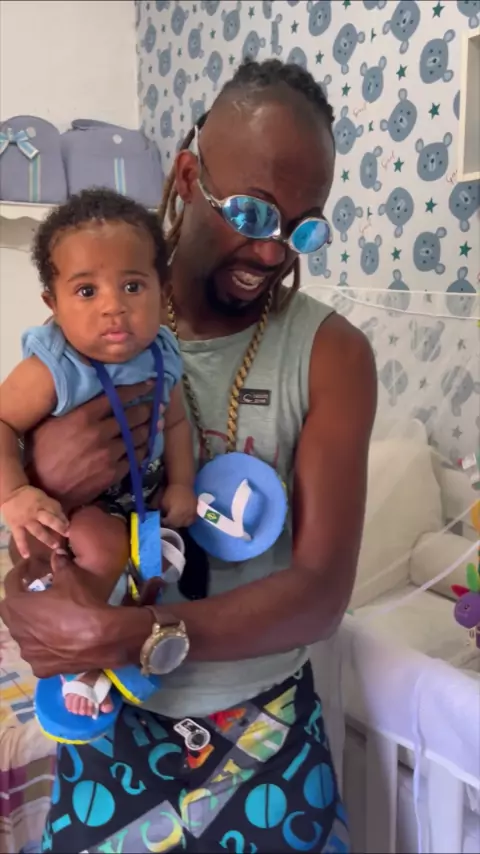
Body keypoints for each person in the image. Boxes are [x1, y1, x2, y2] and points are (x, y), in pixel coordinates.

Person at [0, 60, 376, 853]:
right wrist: (40, 488)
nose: (272, 250)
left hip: (268, 726)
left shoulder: (331, 354)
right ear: (185, 177)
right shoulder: (85, 328)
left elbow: (319, 596)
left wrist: (132, 634)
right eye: (251, 211)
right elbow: (34, 535)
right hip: (112, 718)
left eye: (303, 228)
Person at [0, 188, 197, 719]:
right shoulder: (55, 367)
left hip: (141, 499)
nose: (114, 306)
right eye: (86, 291)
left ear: (162, 291)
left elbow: (176, 421)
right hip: (77, 511)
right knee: (104, 547)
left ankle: (124, 634)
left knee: (157, 564)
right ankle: (82, 656)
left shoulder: (164, 352)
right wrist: (15, 492)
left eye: (133, 285)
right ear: (53, 304)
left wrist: (183, 482)